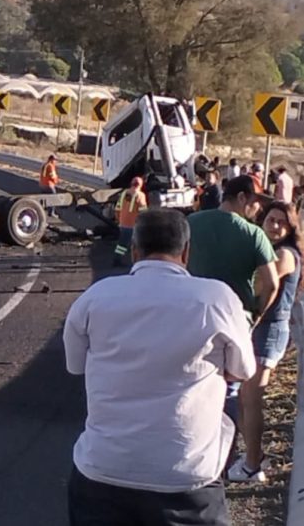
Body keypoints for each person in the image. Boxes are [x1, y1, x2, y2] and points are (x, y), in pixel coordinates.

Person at [64, 209, 255, 526]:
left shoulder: (95, 298)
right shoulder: (216, 299)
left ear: (135, 251)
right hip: (188, 480)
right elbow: (243, 370)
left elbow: (76, 365)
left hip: (102, 472)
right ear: (186, 252)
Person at [188, 175, 279, 427]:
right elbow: (272, 283)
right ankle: (223, 449)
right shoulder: (254, 235)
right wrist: (257, 313)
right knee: (229, 386)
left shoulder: (191, 223)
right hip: (234, 320)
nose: (258, 208)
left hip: (192, 316)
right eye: (255, 202)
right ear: (241, 198)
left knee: (193, 381)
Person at [228, 202, 303, 483]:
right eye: (270, 220)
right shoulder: (271, 250)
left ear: (290, 227)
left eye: (280, 222)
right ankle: (253, 456)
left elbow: (261, 285)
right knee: (247, 399)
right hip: (261, 329)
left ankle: (252, 464)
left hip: (269, 330)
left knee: (252, 397)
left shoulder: (284, 254)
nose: (274, 226)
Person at [112, 176, 146, 266]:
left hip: (123, 223)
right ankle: (137, 261)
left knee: (122, 243)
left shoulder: (124, 193)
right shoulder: (140, 195)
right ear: (140, 185)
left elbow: (117, 208)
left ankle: (117, 259)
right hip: (133, 224)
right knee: (137, 243)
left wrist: (118, 220)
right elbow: (143, 212)